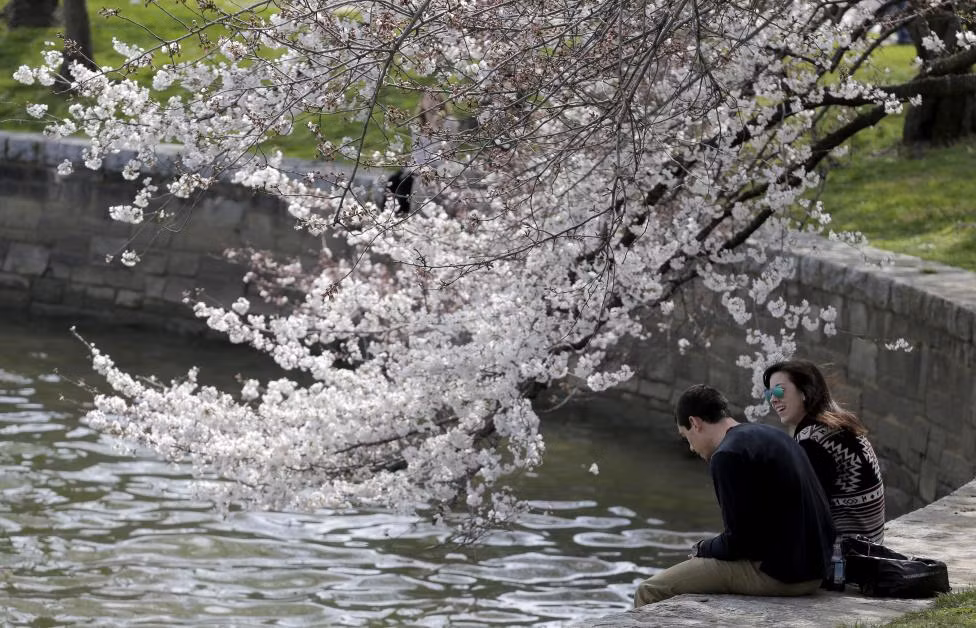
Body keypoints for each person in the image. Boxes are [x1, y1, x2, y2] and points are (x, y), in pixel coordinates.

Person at [634, 384, 835, 607]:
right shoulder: (772, 435)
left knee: (650, 589)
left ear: (695, 423)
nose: (690, 447)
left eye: (686, 437)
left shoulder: (727, 455)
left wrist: (702, 548)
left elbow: (740, 543)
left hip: (783, 576)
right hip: (815, 568)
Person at [762, 360, 886, 544]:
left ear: (804, 391)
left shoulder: (813, 441)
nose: (773, 399)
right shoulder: (841, 425)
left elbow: (805, 513)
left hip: (845, 558)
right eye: (769, 394)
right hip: (870, 545)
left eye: (779, 390)